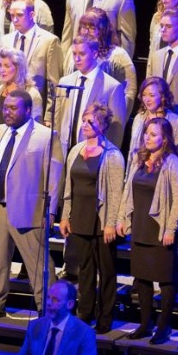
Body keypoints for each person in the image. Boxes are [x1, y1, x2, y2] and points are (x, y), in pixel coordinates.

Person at [0, 90, 63, 321]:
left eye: (13, 108)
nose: (7, 112)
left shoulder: (45, 136)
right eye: (5, 107)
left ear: (28, 110)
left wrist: (51, 211)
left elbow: (55, 175)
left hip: (29, 208)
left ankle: (48, 307)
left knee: (37, 263)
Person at [116, 117, 178, 346]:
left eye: (154, 134)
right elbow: (128, 191)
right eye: (147, 133)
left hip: (160, 230)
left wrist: (171, 228)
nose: (148, 138)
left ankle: (164, 326)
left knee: (166, 280)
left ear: (165, 138)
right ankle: (145, 323)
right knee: (141, 278)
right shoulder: (139, 159)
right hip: (140, 228)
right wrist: (123, 218)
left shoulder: (173, 163)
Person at [60, 102, 124, 333]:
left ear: (102, 125)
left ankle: (105, 316)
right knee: (84, 270)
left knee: (106, 271)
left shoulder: (112, 155)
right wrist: (66, 216)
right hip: (80, 218)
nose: (85, 125)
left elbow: (116, 194)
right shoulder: (76, 150)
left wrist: (110, 224)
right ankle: (84, 313)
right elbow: (69, 187)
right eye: (84, 120)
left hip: (101, 220)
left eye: (90, 121)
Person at [0, 0, 63, 126]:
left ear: (32, 15)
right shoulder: (6, 40)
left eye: (19, 15)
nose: (15, 20)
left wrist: (49, 116)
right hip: (9, 107)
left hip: (34, 105)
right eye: (12, 15)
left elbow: (53, 82)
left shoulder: (49, 41)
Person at [54, 35, 126, 150]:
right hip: (64, 150)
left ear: (94, 54)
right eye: (74, 54)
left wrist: (106, 154)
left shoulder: (112, 87)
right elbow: (58, 120)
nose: (77, 59)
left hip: (93, 151)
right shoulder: (65, 81)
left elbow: (116, 130)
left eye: (82, 54)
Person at [68, 7, 137, 121]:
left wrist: (118, 123)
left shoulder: (118, 56)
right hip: (75, 115)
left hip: (102, 121)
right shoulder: (73, 51)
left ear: (103, 30)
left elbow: (128, 93)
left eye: (92, 27)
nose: (86, 31)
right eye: (84, 27)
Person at [126, 77, 178, 182]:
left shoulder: (175, 122)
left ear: (163, 97)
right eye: (144, 95)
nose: (147, 99)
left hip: (161, 178)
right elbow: (132, 151)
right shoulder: (139, 118)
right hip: (138, 176)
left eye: (152, 95)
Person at [16, 280, 98, 355]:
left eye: (55, 299)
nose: (48, 303)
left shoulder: (85, 333)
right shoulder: (35, 326)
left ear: (70, 304)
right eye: (48, 297)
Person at [0, 47, 43, 132]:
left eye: (7, 66)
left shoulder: (32, 94)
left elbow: (36, 128)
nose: (2, 70)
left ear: (18, 68)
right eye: (0, 65)